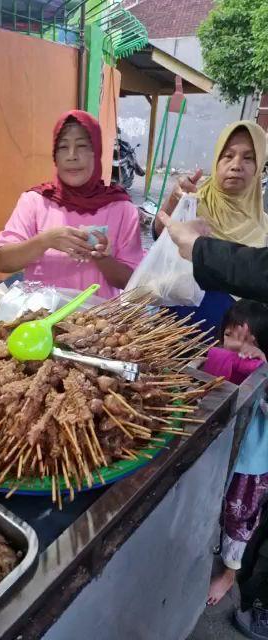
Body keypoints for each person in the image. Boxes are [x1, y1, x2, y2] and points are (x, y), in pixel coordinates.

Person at [0, 110, 143, 299]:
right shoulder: (35, 201)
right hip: (42, 321)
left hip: (98, 324)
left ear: (96, 152)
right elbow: (2, 261)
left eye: (81, 146)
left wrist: (103, 259)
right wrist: (46, 240)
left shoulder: (121, 208)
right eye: (63, 147)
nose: (71, 156)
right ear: (55, 156)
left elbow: (133, 282)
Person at [153, 120, 268, 331]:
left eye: (248, 158)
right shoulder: (193, 203)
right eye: (228, 155)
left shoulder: (265, 227)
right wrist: (174, 201)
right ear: (216, 161)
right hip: (171, 331)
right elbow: (159, 236)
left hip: (232, 344)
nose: (236, 165)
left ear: (259, 166)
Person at [202, 301, 268, 606]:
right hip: (217, 451)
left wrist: (264, 367)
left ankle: (229, 574)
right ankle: (203, 548)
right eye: (231, 335)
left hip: (250, 462)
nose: (240, 348)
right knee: (209, 504)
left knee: (238, 518)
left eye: (252, 342)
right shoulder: (216, 358)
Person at [158, 212, 268, 303]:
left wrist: (196, 246)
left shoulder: (262, 220)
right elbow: (159, 233)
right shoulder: (197, 198)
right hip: (182, 298)